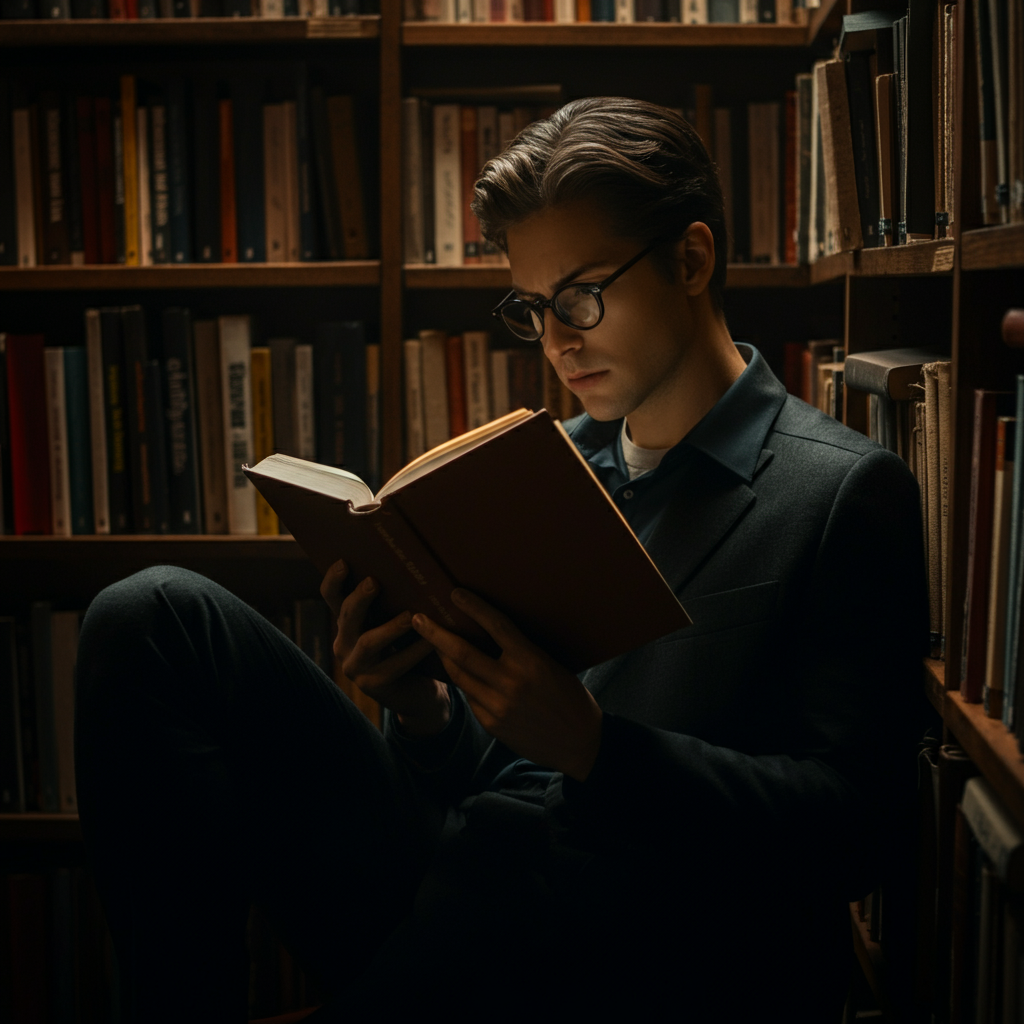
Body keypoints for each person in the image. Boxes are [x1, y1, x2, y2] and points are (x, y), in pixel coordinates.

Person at [75, 96, 929, 1023]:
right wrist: (425, 710)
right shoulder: (540, 469)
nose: (558, 341)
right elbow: (488, 773)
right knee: (152, 616)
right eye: (533, 308)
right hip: (458, 875)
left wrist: (598, 749)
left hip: (620, 941)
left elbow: (857, 830)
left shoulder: (840, 492)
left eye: (582, 296)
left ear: (691, 260)